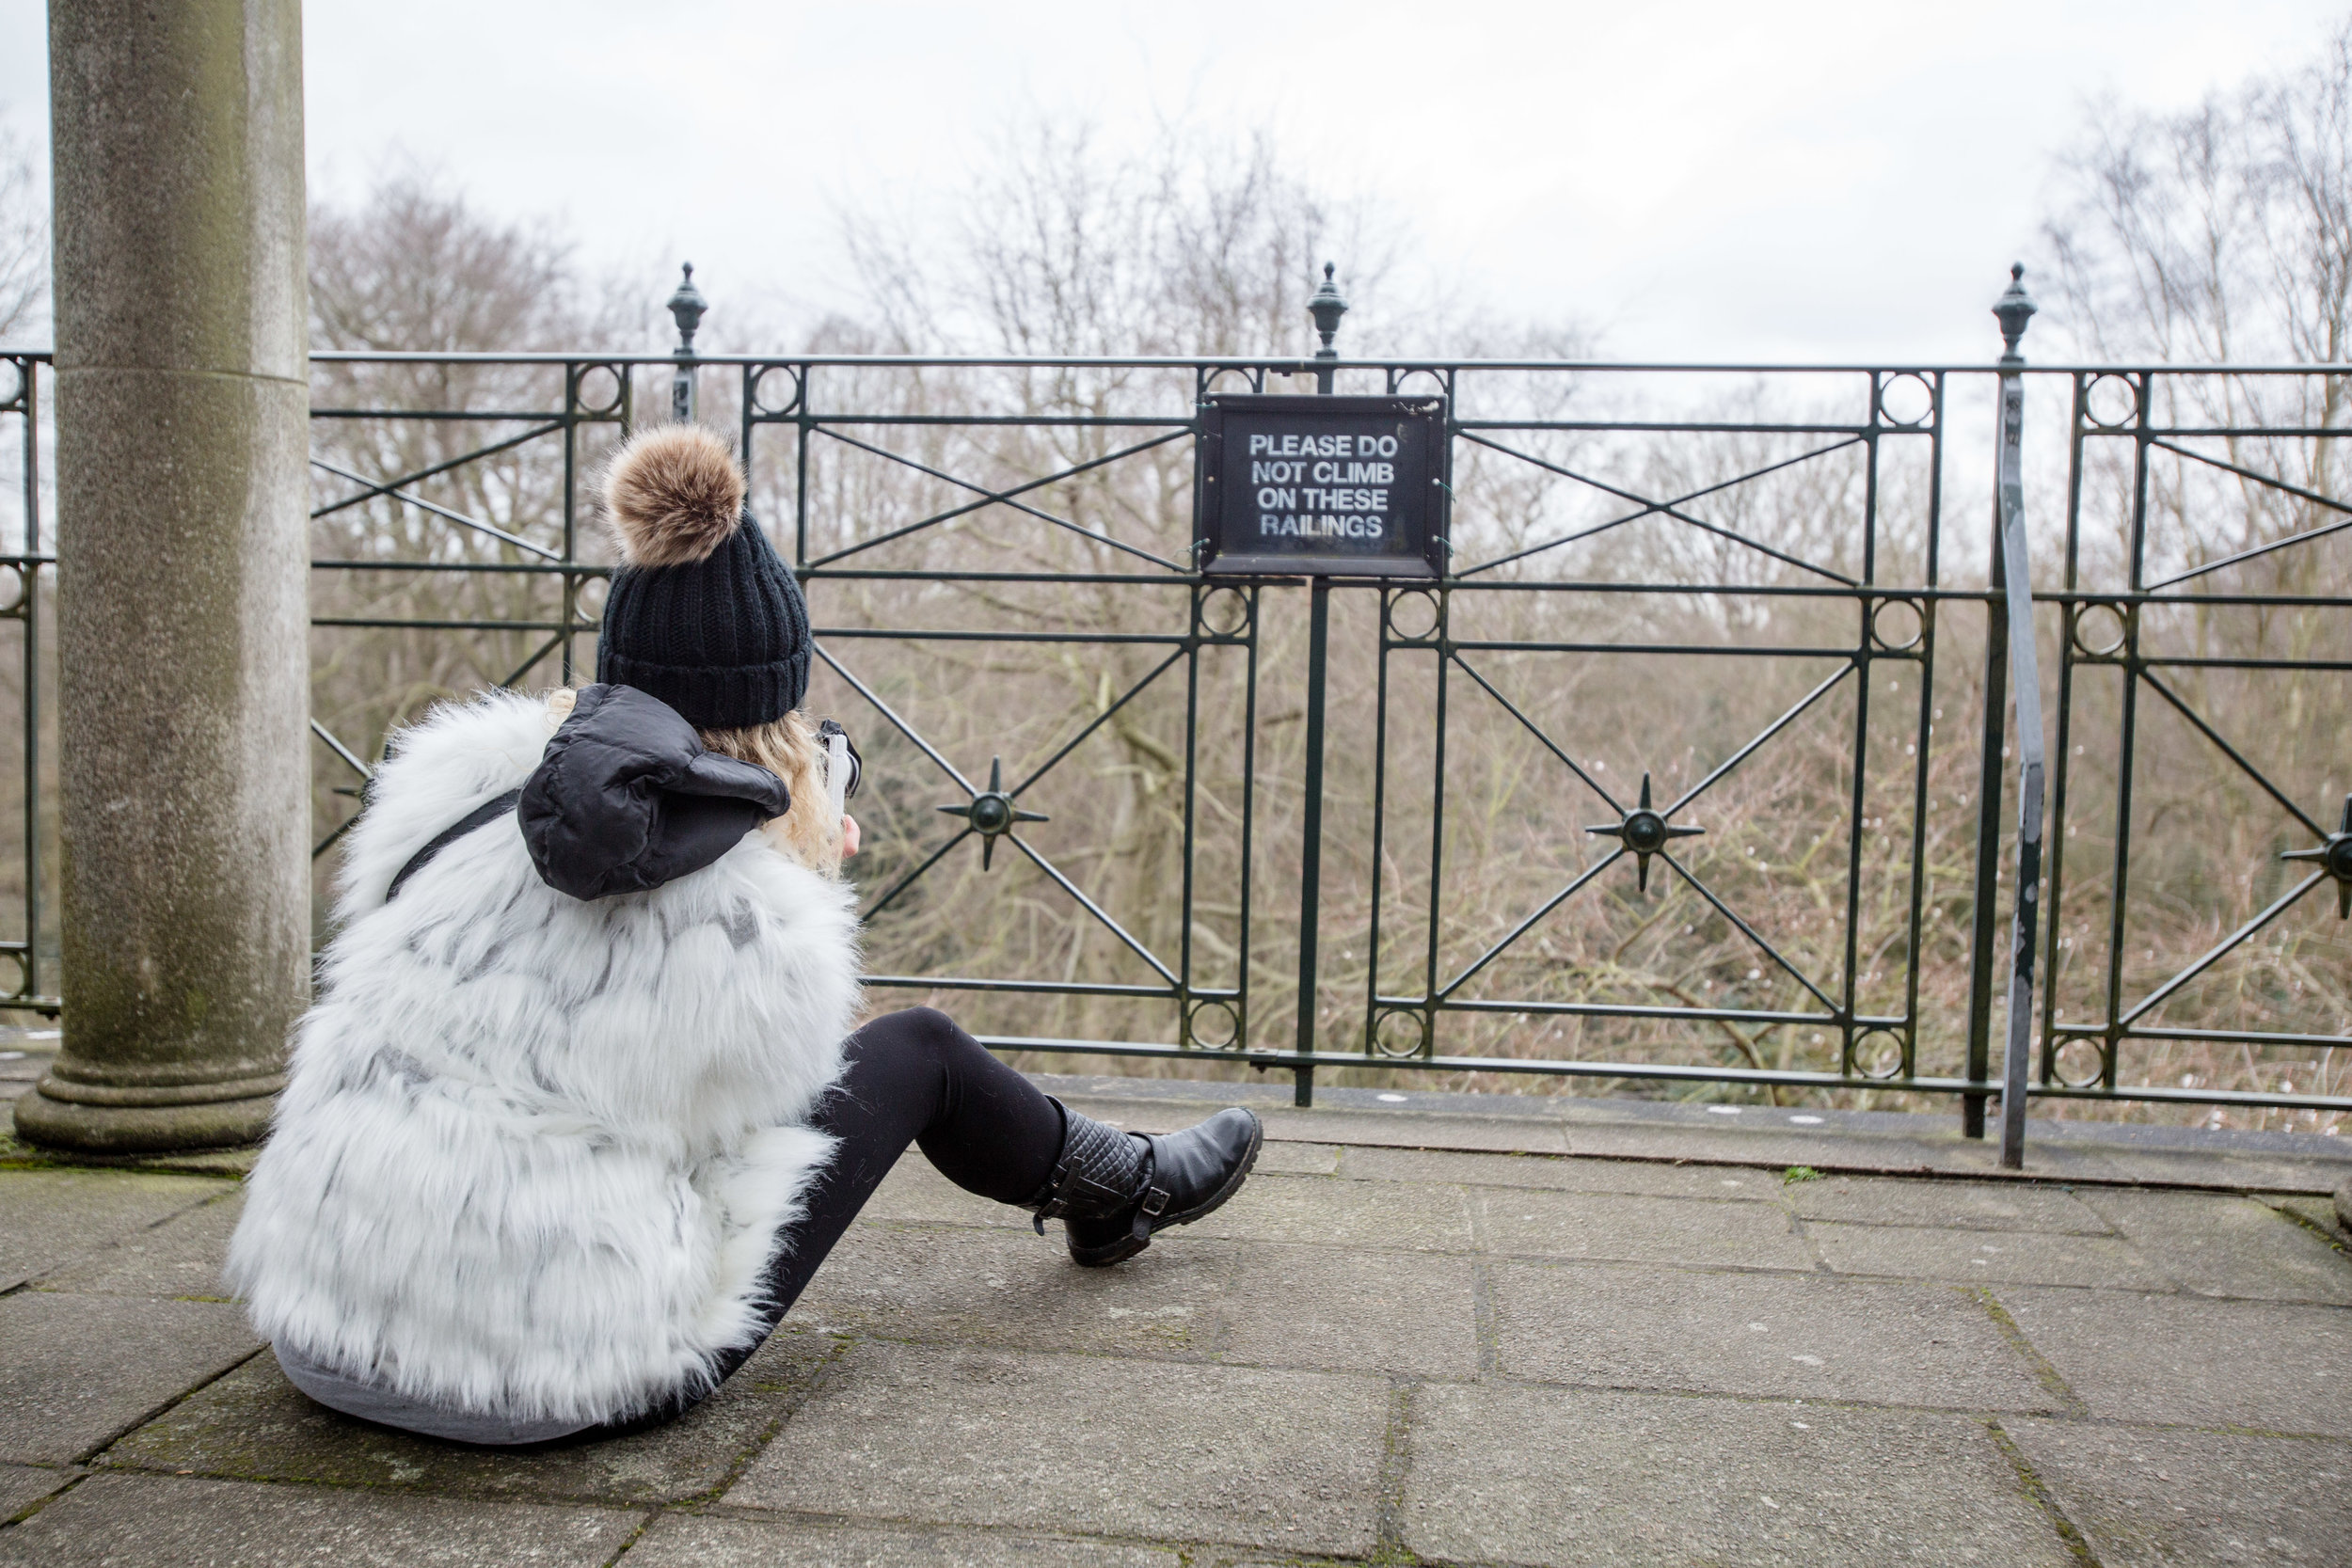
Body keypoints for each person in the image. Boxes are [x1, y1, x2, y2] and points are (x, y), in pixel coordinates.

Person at [227, 425, 1262, 1446]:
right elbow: (760, 1129)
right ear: (778, 722)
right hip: (549, 1371)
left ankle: (1114, 1181)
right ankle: (1120, 1186)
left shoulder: (447, 795)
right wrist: (792, 869)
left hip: (324, 1322)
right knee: (920, 1051)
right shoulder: (752, 931)